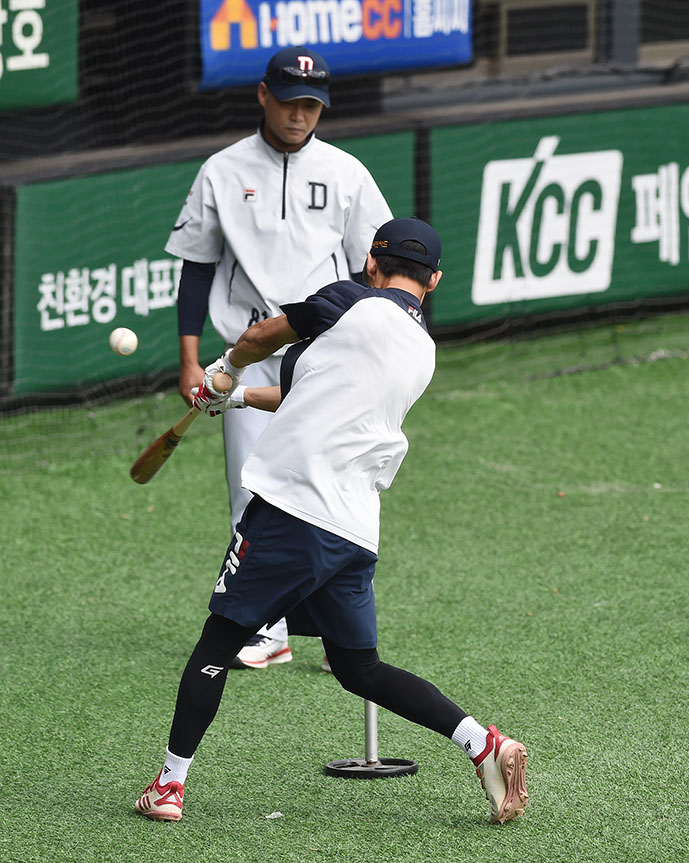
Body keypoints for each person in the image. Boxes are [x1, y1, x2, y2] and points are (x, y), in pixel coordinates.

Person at [135, 218, 529, 824]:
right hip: (353, 529)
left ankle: (167, 787)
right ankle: (483, 743)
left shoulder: (349, 299)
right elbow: (306, 391)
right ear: (436, 280)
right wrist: (233, 399)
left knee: (218, 642)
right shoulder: (423, 350)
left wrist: (226, 369)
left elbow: (266, 333)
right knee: (357, 668)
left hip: (291, 510)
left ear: (372, 263)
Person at [167, 45, 392, 670]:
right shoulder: (221, 170)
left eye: (312, 105)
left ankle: (345, 629)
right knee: (253, 489)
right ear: (263, 95)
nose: (300, 115)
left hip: (324, 354)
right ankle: (267, 629)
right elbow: (196, 269)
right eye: (290, 101)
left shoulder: (348, 173)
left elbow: (373, 268)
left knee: (334, 484)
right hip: (245, 353)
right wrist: (193, 364)